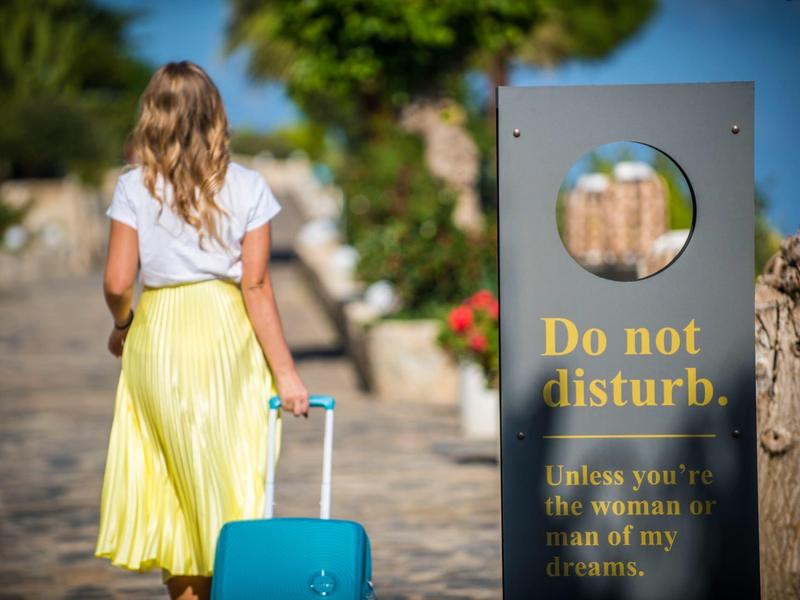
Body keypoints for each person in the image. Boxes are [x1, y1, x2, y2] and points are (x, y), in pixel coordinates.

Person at [93, 60, 310, 600]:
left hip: (159, 334)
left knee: (176, 485)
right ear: (215, 112)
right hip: (225, 337)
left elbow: (119, 280)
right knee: (229, 475)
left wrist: (125, 326)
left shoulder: (133, 188)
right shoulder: (248, 186)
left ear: (153, 114)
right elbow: (256, 286)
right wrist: (287, 377)